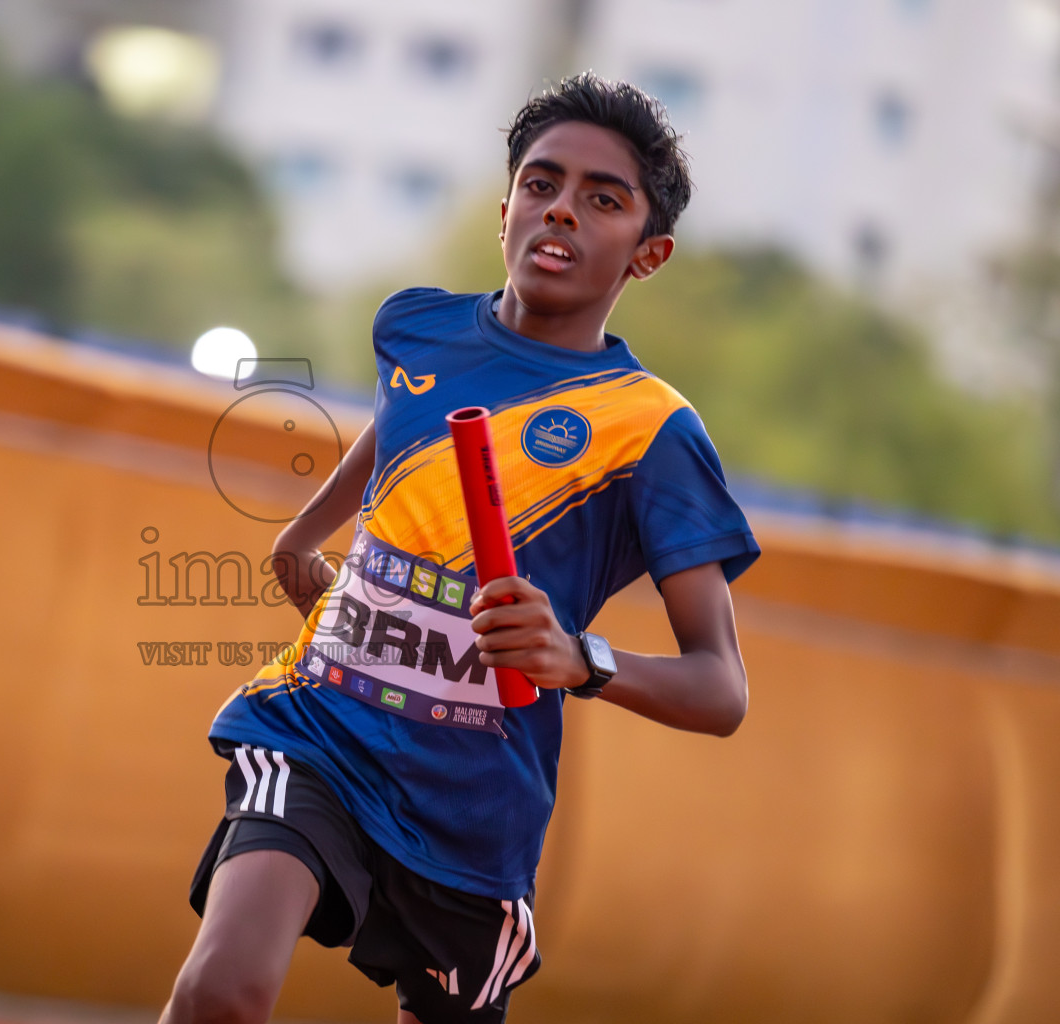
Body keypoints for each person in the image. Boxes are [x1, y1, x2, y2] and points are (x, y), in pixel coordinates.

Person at [160, 72, 761, 1024]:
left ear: (649, 254)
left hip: (473, 814)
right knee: (223, 992)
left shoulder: (651, 432)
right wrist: (302, 535)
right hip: (322, 731)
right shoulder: (419, 323)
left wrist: (578, 658)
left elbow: (720, 690)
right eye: (542, 182)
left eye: (602, 199)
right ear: (507, 206)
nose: (562, 209)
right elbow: (401, 431)